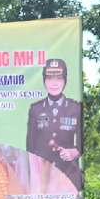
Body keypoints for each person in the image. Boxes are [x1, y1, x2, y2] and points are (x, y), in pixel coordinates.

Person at [25, 59, 82, 189]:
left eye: (59, 78)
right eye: (50, 78)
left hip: (68, 173)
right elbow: (30, 145)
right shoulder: (36, 109)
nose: (54, 83)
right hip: (43, 176)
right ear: (44, 81)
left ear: (65, 81)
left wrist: (75, 152)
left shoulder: (76, 108)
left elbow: (82, 141)